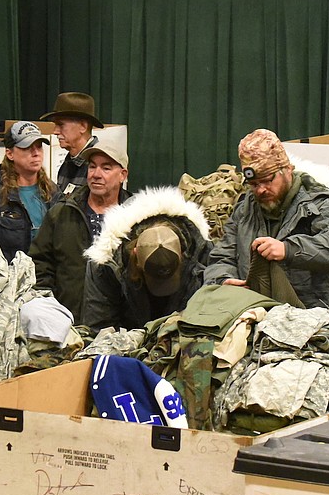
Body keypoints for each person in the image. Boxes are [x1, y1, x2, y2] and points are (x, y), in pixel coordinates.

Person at [205, 129, 329, 311]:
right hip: (254, 315)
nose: (261, 190)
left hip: (311, 320)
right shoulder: (245, 210)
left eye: (268, 181)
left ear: (287, 170)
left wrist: (288, 249)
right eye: (254, 184)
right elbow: (221, 257)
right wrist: (224, 280)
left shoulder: (318, 204)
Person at [82, 186, 212, 331]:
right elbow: (99, 326)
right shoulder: (106, 264)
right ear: (135, 255)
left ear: (182, 252)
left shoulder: (202, 254)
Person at [30, 140, 131, 322]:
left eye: (106, 168)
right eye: (92, 167)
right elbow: (40, 262)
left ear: (122, 175)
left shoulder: (137, 217)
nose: (96, 175)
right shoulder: (62, 213)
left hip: (121, 328)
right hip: (68, 324)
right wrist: (49, 305)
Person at [0, 121, 56, 277]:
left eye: (39, 147)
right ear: (10, 153)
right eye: (27, 148)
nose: (36, 153)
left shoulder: (53, 192)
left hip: (45, 284)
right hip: (8, 288)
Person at [40, 91, 104, 198]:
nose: (55, 131)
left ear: (83, 126)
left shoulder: (100, 163)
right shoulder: (69, 161)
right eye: (55, 125)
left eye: (61, 125)